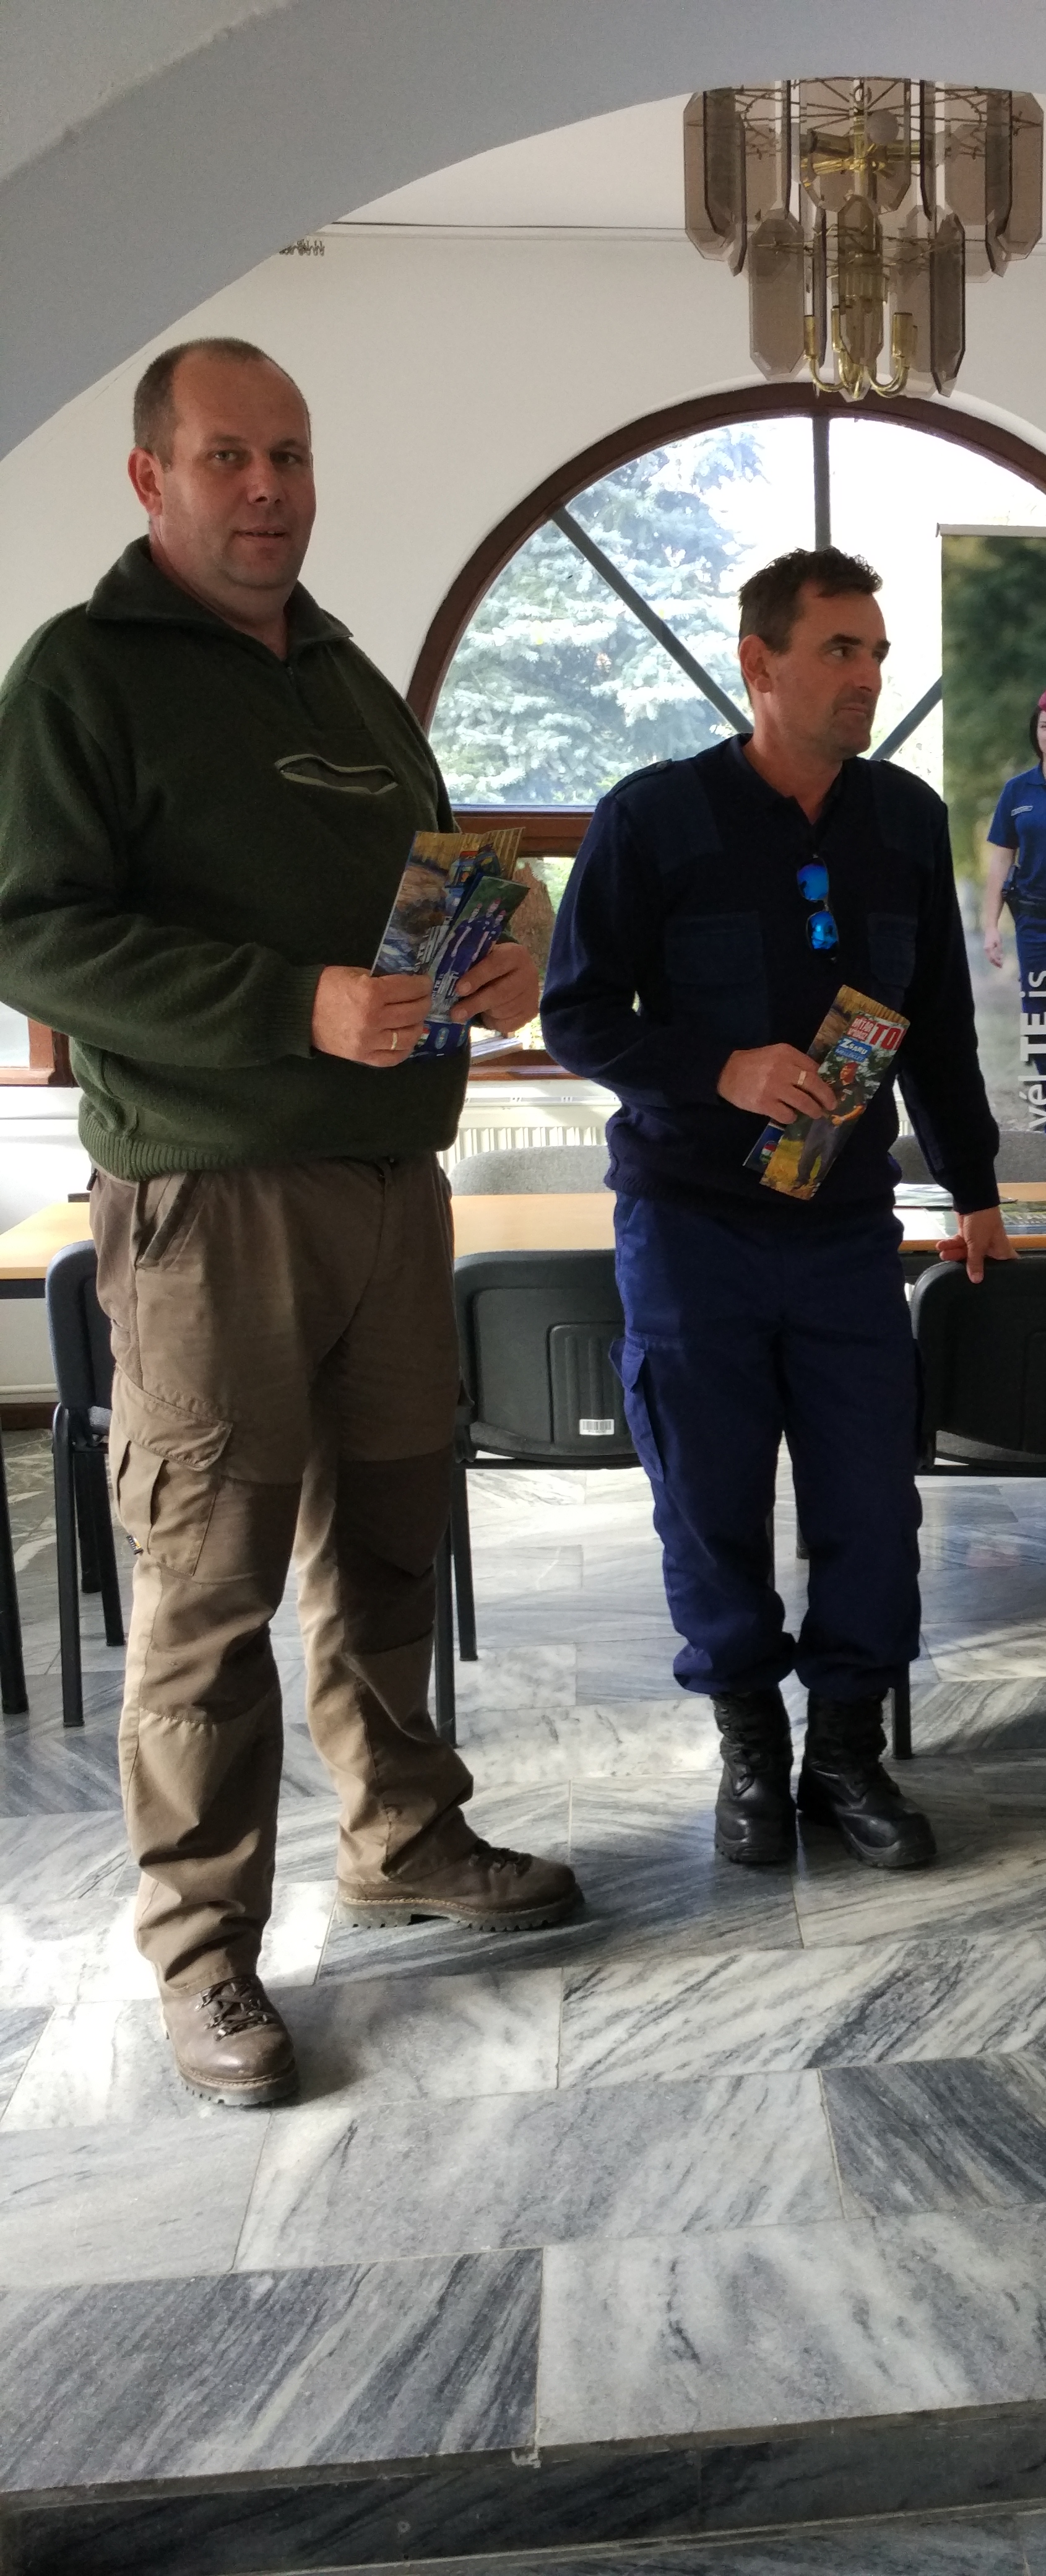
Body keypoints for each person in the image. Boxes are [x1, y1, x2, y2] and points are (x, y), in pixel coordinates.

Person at [0, 337, 579, 2109]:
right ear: (151, 479)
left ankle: (401, 1834)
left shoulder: (345, 678)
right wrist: (293, 1004)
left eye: (292, 456)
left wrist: (511, 947)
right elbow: (32, 933)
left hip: (393, 1188)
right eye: (229, 457)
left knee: (392, 1541)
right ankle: (202, 1952)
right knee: (209, 1581)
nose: (269, 489)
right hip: (208, 1200)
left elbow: (448, 875)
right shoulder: (85, 674)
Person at [542, 547, 1013, 1876]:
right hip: (690, 1227)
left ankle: (847, 1751)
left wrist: (976, 1189)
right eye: (840, 650)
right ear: (760, 664)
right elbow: (576, 1015)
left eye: (878, 652)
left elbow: (939, 1029)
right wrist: (722, 1069)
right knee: (712, 1503)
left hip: (847, 1230)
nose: (868, 675)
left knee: (872, 1500)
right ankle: (750, 1744)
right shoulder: (652, 817)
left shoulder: (903, 821)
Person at [982, 682, 1046, 1136]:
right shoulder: (1017, 790)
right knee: (1040, 1020)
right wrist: (991, 925)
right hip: (1033, 922)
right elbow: (1001, 860)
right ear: (1036, 732)